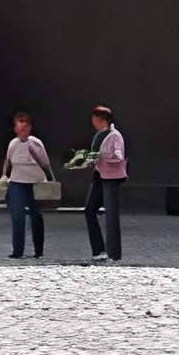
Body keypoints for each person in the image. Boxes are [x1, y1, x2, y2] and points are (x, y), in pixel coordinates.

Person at [0, 109, 53, 259]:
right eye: (20, 127)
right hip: (17, 183)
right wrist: (4, 178)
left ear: (30, 128)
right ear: (16, 128)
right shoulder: (13, 144)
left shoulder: (36, 144)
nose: (23, 130)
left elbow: (46, 164)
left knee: (36, 217)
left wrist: (49, 182)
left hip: (35, 184)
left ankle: (38, 251)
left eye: (26, 127)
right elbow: (8, 162)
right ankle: (18, 251)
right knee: (17, 216)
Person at [82, 102, 127, 262]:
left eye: (94, 118)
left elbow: (118, 156)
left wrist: (102, 156)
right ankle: (99, 250)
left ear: (101, 119)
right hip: (100, 176)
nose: (92, 121)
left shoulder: (114, 135)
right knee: (89, 210)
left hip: (111, 179)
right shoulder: (100, 135)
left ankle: (113, 253)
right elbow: (94, 155)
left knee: (111, 215)